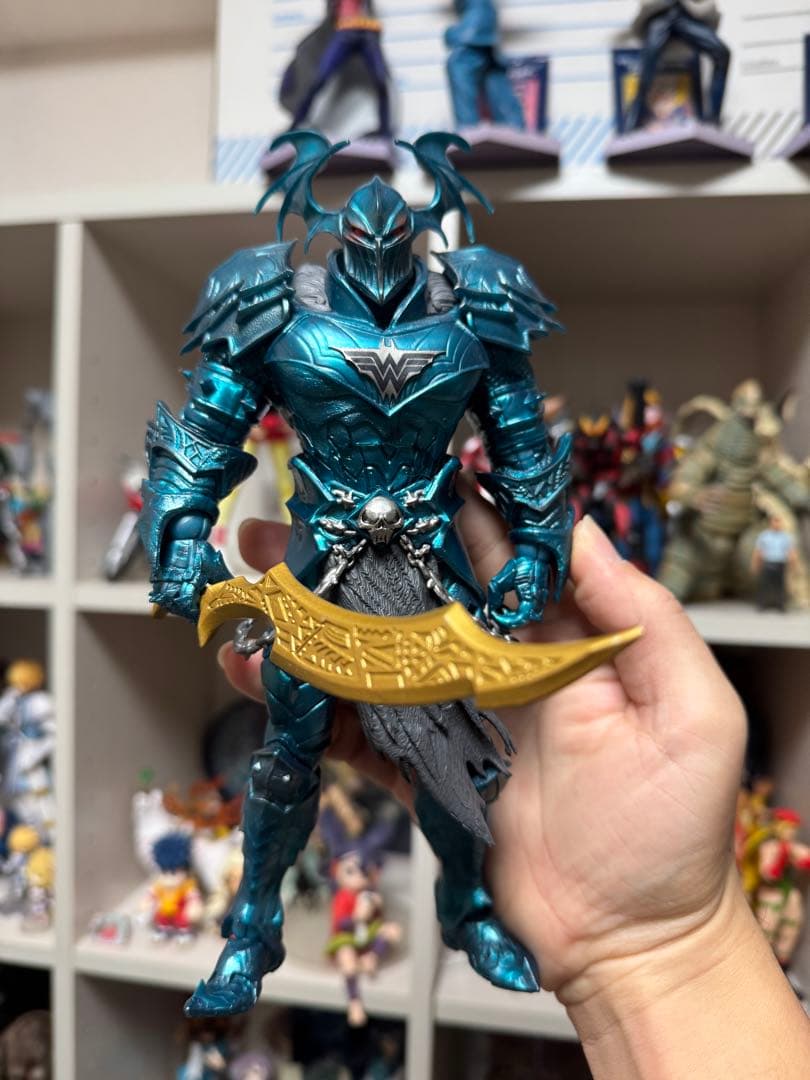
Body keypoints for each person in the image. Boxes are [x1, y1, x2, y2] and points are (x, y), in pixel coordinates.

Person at [218, 496, 810, 1077]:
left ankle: (465, 906)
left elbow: (521, 445)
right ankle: (253, 928)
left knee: (451, 763)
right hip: (321, 556)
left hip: (429, 558)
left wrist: (536, 544)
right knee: (286, 764)